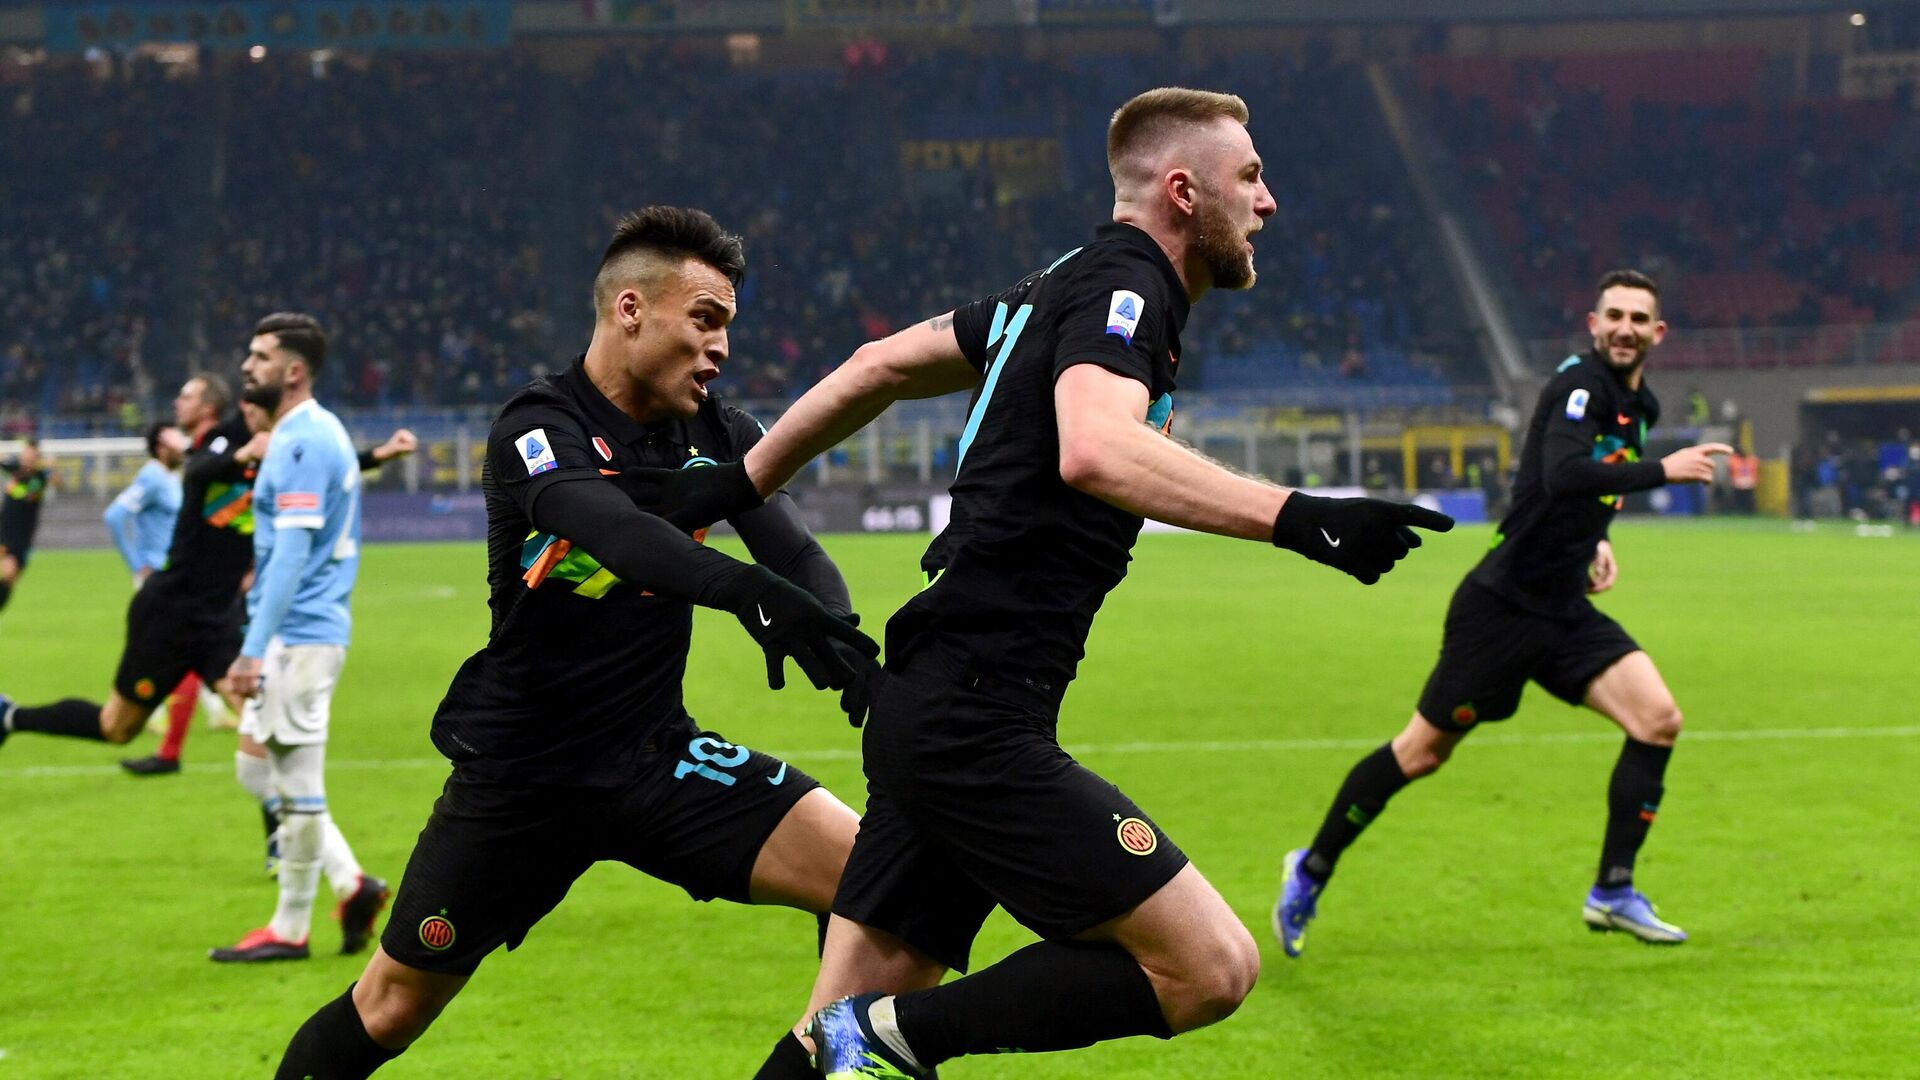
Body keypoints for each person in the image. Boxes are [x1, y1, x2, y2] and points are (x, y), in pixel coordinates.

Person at [628, 89, 1452, 1079]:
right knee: (1211, 968)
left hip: (930, 708)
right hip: (976, 720)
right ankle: (894, 1038)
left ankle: (861, 1040)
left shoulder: (1053, 286)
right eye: (1251, 178)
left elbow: (881, 362)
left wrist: (742, 481)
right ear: (1185, 193)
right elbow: (1094, 452)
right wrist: (1301, 516)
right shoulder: (1129, 287)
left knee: (822, 1055)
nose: (1269, 202)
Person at [271, 207, 882, 1078]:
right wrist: (748, 594)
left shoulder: (718, 430)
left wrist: (841, 640)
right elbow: (618, 534)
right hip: (523, 776)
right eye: (704, 319)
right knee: (391, 1005)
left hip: (656, 756)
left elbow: (797, 551)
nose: (721, 349)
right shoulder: (538, 426)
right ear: (630, 308)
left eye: (728, 329)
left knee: (871, 880)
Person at [1272, 269, 1733, 957]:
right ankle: (1309, 871)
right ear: (1594, 323)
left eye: (1640, 319)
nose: (1627, 328)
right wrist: (1664, 471)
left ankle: (1612, 891)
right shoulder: (1579, 387)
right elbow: (1564, 476)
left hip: (1563, 608)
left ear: (1658, 332)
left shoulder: (1642, 409)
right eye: (1615, 316)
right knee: (1421, 754)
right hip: (1503, 609)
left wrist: (1598, 540)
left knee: (1658, 719)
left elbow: (1585, 499)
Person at [201, 313, 389, 963]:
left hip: (301, 635)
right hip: (296, 633)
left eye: (259, 356)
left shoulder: (303, 442)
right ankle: (349, 883)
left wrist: (253, 647)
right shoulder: (301, 435)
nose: (246, 366)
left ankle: (290, 927)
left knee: (298, 782)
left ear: (293, 370)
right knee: (259, 769)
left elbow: (291, 552)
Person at [0, 377, 256, 757]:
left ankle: (290, 810)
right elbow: (119, 514)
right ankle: (11, 717)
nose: (175, 402)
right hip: (170, 602)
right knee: (117, 726)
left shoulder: (220, 451)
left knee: (264, 725)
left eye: (185, 396)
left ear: (207, 407)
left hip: (217, 609)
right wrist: (139, 565)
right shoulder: (183, 465)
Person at [103, 423, 209, 777]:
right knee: (173, 655)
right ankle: (153, 715)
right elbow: (115, 516)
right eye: (174, 436)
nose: (182, 441)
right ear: (159, 445)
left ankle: (181, 717)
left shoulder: (172, 477)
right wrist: (138, 565)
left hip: (179, 579)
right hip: (160, 581)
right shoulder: (151, 477)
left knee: (187, 653)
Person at [0, 438, 53, 614]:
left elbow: (34, 493)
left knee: (11, 578)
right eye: (26, 453)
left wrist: (51, 467)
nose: (28, 457)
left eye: (32, 454)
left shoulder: (38, 477)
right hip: (4, 532)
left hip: (22, 536)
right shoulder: (13, 467)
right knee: (9, 570)